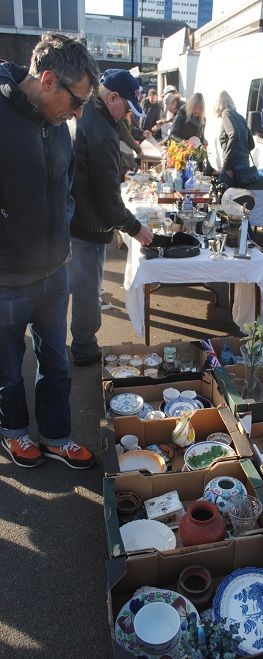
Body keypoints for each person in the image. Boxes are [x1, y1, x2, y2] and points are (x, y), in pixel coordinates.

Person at [0, 32, 99, 469]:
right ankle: (14, 433)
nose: (78, 112)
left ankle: (57, 435)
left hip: (54, 272)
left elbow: (67, 185)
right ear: (47, 80)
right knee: (6, 366)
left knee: (57, 361)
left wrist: (61, 224)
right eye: (76, 101)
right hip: (6, 275)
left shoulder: (59, 125)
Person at [68, 69, 153, 367]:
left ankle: (82, 342)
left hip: (78, 215)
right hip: (86, 223)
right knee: (87, 290)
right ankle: (83, 347)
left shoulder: (90, 111)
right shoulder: (101, 129)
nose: (127, 114)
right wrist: (137, 228)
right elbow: (108, 201)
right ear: (112, 97)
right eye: (127, 107)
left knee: (81, 286)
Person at [214, 90, 255, 188]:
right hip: (244, 166)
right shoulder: (240, 117)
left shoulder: (226, 114)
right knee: (240, 199)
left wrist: (228, 165)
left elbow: (234, 134)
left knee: (220, 197)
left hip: (233, 166)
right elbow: (251, 144)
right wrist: (242, 153)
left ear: (219, 104)